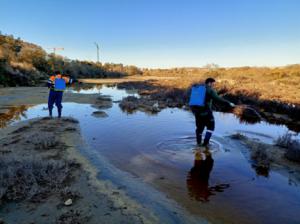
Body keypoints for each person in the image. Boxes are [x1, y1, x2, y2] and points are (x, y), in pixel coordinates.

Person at [190, 78, 235, 146]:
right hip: (207, 113)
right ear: (210, 83)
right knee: (211, 127)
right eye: (213, 83)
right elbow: (217, 99)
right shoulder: (210, 90)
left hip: (197, 113)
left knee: (199, 129)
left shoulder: (198, 88)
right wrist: (229, 103)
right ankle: (205, 143)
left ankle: (198, 144)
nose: (214, 85)